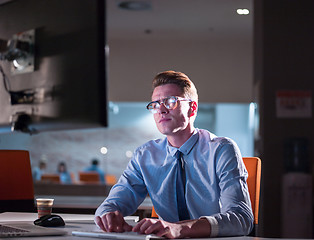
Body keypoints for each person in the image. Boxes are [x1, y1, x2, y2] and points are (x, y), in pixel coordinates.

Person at [95, 70, 253, 238]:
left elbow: (241, 219)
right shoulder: (145, 155)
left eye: (170, 101)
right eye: (155, 104)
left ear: (192, 108)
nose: (161, 109)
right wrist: (108, 214)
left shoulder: (222, 149)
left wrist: (179, 228)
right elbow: (112, 203)